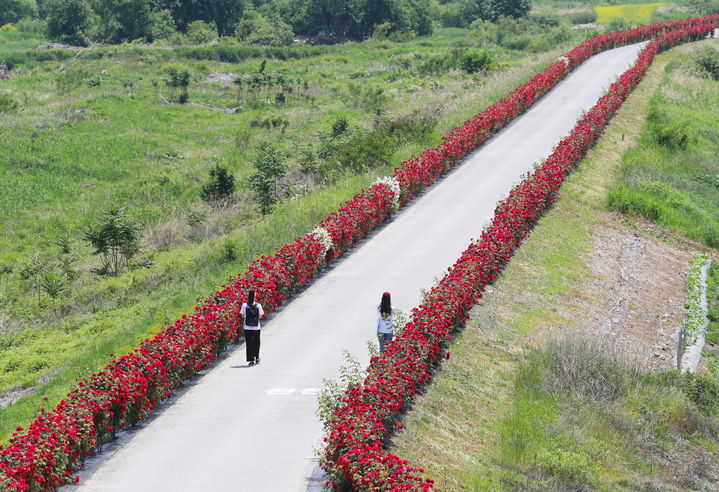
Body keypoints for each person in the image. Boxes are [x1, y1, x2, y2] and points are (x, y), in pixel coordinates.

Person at [240, 289, 265, 366]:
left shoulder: (244, 305)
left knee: (249, 343)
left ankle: (251, 359)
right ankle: (257, 357)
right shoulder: (258, 305)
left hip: (247, 327)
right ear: (254, 297)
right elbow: (261, 316)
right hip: (256, 327)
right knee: (256, 342)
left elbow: (242, 315)